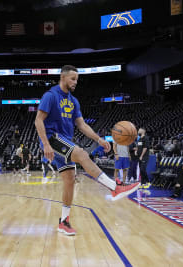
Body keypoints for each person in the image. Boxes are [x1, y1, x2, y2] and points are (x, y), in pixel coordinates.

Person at [35, 65, 139, 236]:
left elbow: (81, 124)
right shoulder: (50, 96)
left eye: (77, 79)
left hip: (65, 140)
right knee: (83, 154)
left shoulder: (74, 101)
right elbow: (38, 120)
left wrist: (98, 139)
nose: (76, 82)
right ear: (63, 78)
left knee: (69, 181)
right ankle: (115, 187)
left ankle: (64, 221)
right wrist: (46, 144)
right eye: (73, 79)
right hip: (53, 138)